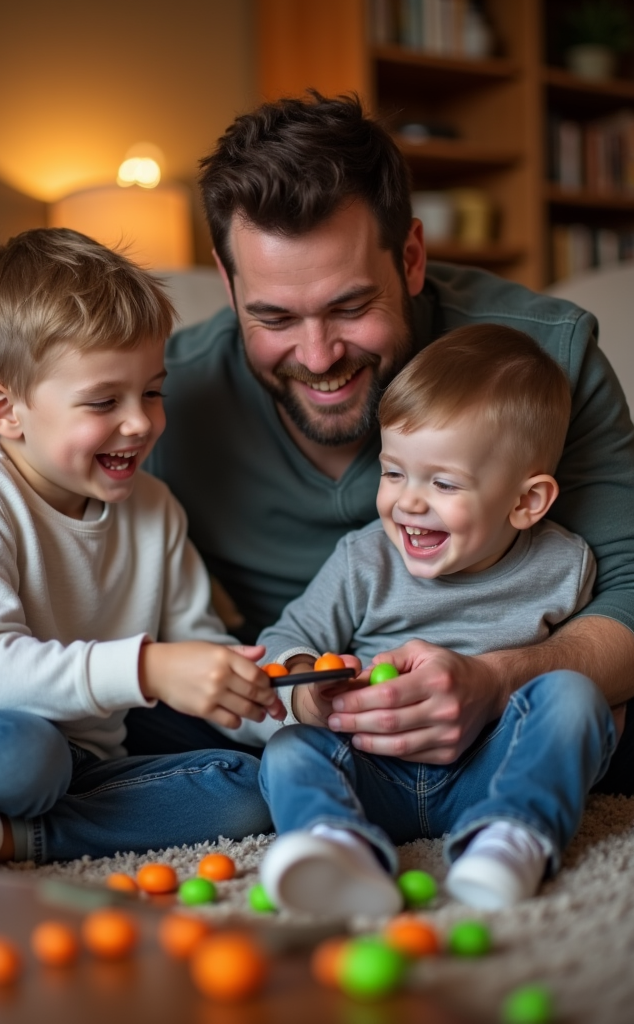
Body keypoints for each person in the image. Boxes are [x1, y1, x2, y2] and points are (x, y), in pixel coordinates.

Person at [129, 91, 634, 793]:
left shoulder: (547, 358)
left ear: (413, 257)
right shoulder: (164, 396)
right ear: (228, 280)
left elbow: (629, 591)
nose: (316, 355)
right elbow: (30, 472)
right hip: (301, 727)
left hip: (515, 715)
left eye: (350, 307)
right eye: (273, 316)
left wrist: (496, 681)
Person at [0, 227, 285, 875]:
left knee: (249, 785)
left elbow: (199, 649)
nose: (140, 422)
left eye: (152, 391)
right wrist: (148, 670)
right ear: (6, 410)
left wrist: (280, 701)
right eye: (103, 401)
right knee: (23, 754)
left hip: (84, 753)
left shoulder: (154, 508)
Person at [256, 324, 617, 917]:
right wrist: (309, 690)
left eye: (443, 483)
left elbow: (566, 708)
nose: (408, 502)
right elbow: (285, 641)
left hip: (491, 770)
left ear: (526, 502)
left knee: (577, 694)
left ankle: (511, 835)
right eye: (393, 472)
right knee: (291, 751)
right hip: (371, 768)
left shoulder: (565, 565)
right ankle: (335, 844)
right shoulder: (364, 558)